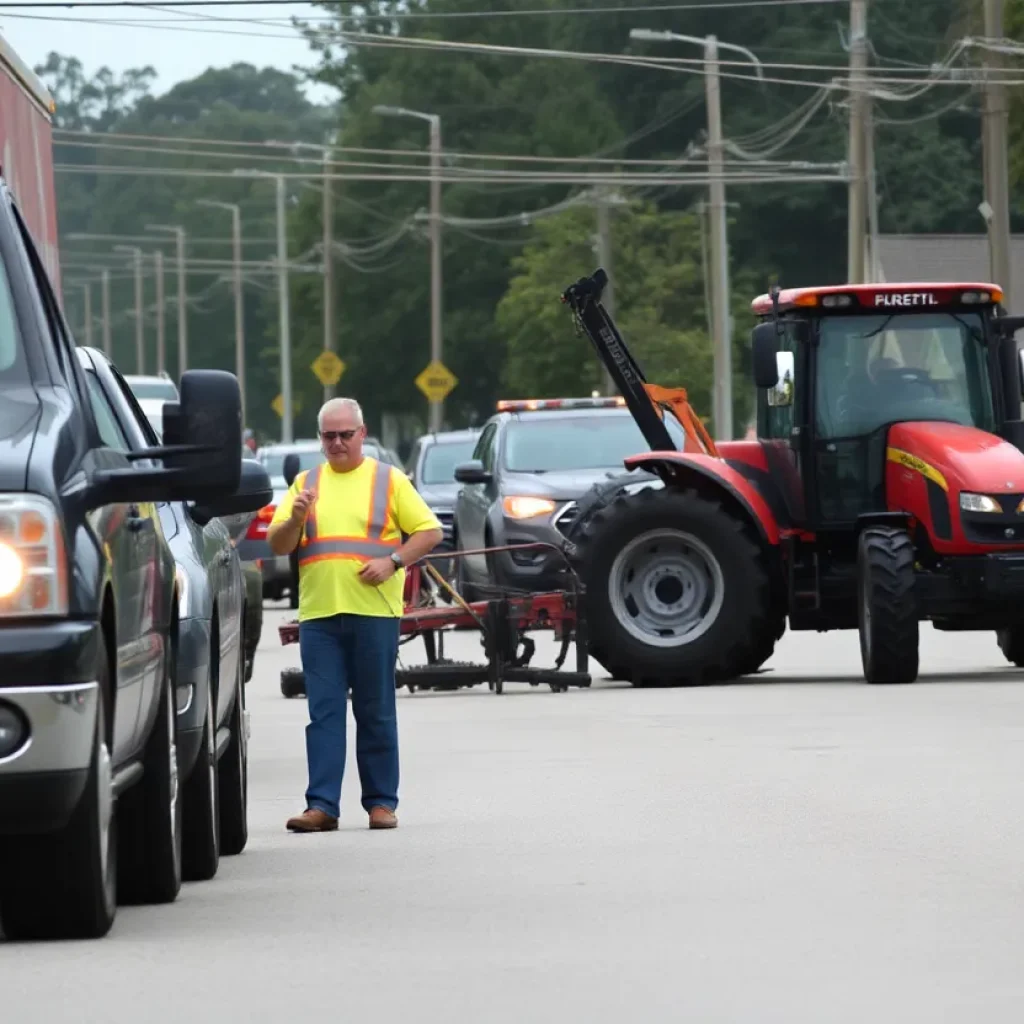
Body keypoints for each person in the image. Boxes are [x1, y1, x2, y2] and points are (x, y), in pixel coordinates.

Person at [267, 398, 443, 833]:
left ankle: (381, 803)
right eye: (330, 436)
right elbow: (279, 544)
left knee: (375, 709)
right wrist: (296, 515)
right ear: (320, 438)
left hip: (373, 613)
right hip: (321, 616)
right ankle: (322, 805)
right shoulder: (306, 483)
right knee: (323, 713)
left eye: (347, 434)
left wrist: (394, 562)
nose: (338, 443)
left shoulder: (388, 479)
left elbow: (429, 531)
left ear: (362, 434)